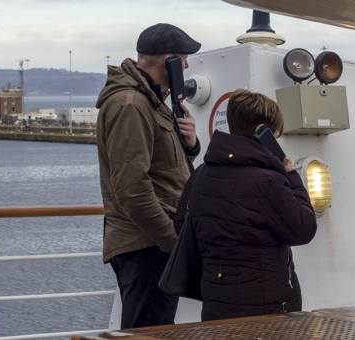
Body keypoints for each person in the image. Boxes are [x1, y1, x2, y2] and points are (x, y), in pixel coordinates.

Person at [174, 89, 317, 321]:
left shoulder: (201, 173)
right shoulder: (269, 181)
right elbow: (304, 229)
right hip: (265, 309)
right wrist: (291, 174)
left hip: (216, 303)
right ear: (263, 132)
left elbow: (181, 225)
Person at [95, 23, 201, 329]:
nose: (186, 65)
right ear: (169, 61)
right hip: (147, 245)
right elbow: (131, 188)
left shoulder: (151, 101)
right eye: (183, 59)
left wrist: (191, 144)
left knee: (152, 330)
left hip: (151, 243)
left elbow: (161, 167)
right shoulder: (132, 104)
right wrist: (173, 242)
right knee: (147, 333)